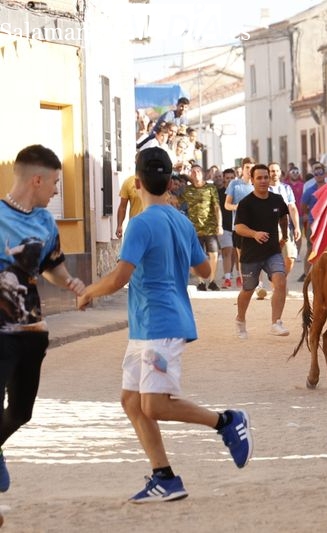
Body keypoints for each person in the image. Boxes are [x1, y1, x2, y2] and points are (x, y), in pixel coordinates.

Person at [76, 147, 253, 502]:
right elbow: (205, 272)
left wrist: (88, 292)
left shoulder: (140, 223)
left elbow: (120, 277)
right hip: (148, 326)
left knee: (154, 405)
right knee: (131, 402)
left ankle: (227, 421)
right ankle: (165, 477)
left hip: (159, 324)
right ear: (171, 182)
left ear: (136, 182)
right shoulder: (181, 221)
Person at [0, 144, 87, 492]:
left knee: (21, 412)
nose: (55, 191)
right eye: (53, 183)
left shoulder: (45, 221)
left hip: (32, 332)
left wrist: (69, 281)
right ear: (36, 179)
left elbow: (51, 265)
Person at [233, 163, 291, 338]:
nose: (263, 181)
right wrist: (254, 234)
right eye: (259, 178)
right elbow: (238, 228)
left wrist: (285, 237)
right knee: (248, 290)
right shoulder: (246, 203)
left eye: (266, 177)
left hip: (272, 251)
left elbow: (283, 217)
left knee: (280, 281)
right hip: (251, 254)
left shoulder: (277, 200)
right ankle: (240, 319)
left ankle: (276, 322)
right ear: (252, 180)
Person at [181, 163, 223, 291]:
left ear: (203, 173)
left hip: (210, 227)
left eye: (198, 171)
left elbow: (216, 207)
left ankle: (212, 280)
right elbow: (176, 201)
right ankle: (200, 282)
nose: (196, 173)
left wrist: (219, 224)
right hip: (194, 228)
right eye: (193, 172)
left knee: (214, 254)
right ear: (190, 175)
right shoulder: (187, 190)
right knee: (196, 256)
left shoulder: (210, 188)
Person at [225, 157, 256, 289]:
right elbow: (227, 205)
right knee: (242, 256)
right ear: (242, 169)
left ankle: (258, 284)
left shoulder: (258, 184)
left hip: (256, 227)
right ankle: (246, 284)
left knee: (257, 256)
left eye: (252, 168)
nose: (250, 171)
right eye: (247, 168)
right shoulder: (234, 184)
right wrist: (237, 207)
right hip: (238, 227)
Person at [268, 163, 303, 275]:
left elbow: (292, 207)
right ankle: (276, 283)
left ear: (280, 172)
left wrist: (297, 227)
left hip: (285, 227)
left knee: (290, 257)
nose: (275, 173)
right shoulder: (263, 189)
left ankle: (281, 279)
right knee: (273, 259)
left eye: (277, 171)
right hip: (269, 228)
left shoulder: (286, 188)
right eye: (272, 171)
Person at [299, 163, 327, 281]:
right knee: (311, 249)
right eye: (316, 174)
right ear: (314, 175)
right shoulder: (309, 190)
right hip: (313, 224)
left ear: (324, 174)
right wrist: (307, 215)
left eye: (321, 173)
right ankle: (306, 274)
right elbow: (303, 205)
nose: (319, 175)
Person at [216, 168, 238, 288]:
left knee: (235, 253)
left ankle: (233, 273)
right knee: (227, 251)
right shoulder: (219, 193)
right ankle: (228, 277)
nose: (229, 180)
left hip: (237, 226)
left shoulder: (239, 192)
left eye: (231, 178)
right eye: (227, 178)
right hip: (224, 227)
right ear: (223, 179)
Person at [115, 174, 144, 239]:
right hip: (135, 229)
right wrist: (119, 225)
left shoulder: (156, 181)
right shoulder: (129, 182)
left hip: (154, 228)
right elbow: (122, 207)